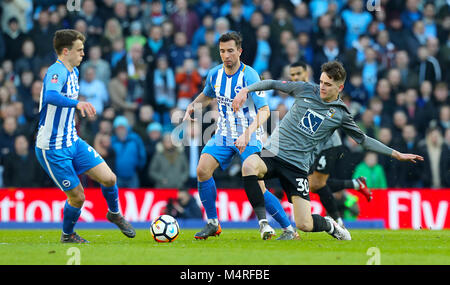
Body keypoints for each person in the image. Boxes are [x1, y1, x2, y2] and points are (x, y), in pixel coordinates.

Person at [232, 60, 424, 240]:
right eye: (322, 81)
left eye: (328, 84)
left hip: (297, 167)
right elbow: (273, 83)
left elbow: (363, 140)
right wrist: (246, 90)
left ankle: (330, 225)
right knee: (249, 165)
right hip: (273, 154)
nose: (322, 87)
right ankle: (263, 223)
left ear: (339, 88)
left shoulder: (340, 114)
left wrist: (396, 153)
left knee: (304, 224)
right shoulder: (306, 89)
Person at [34, 29, 135, 243]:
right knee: (78, 197)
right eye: (79, 50)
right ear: (65, 51)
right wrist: (77, 103)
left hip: (72, 140)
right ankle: (67, 235)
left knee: (109, 178)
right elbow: (51, 95)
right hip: (52, 147)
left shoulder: (74, 72)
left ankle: (114, 213)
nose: (83, 54)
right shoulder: (56, 71)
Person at [183, 31, 283, 240]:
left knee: (258, 185)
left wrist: (247, 134)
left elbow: (264, 111)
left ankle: (288, 228)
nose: (226, 55)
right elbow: (207, 94)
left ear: (239, 51)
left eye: (230, 51)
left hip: (249, 134)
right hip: (223, 134)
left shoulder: (250, 75)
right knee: (202, 169)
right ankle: (212, 223)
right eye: (222, 51)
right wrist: (192, 105)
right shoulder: (214, 74)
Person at [287, 61, 372, 228]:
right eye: (292, 75)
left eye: (298, 74)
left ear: (307, 72)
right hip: (312, 147)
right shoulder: (299, 92)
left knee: (314, 184)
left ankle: (340, 214)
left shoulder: (317, 89)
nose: (295, 77)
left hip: (328, 145)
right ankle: (340, 216)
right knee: (315, 185)